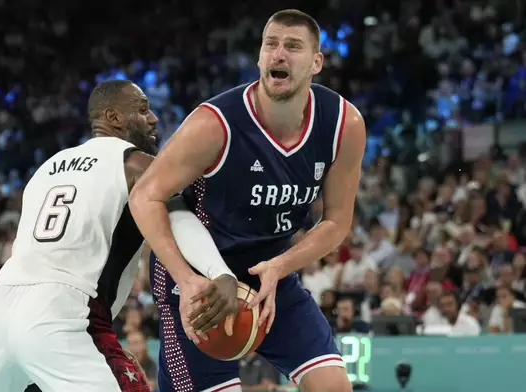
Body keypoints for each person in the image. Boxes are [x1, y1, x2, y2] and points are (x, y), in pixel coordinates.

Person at [130, 9, 365, 392]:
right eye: (270, 44)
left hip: (268, 271)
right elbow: (145, 196)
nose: (279, 54)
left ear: (316, 62)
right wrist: (187, 281)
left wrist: (280, 266)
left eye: (293, 46)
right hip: (201, 277)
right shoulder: (215, 123)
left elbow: (337, 222)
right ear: (259, 57)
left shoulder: (343, 124)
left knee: (334, 386)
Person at [0, 80, 236, 392]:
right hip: (63, 310)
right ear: (113, 117)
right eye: (143, 110)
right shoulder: (136, 163)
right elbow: (179, 217)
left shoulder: (46, 169)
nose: (153, 118)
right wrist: (218, 271)